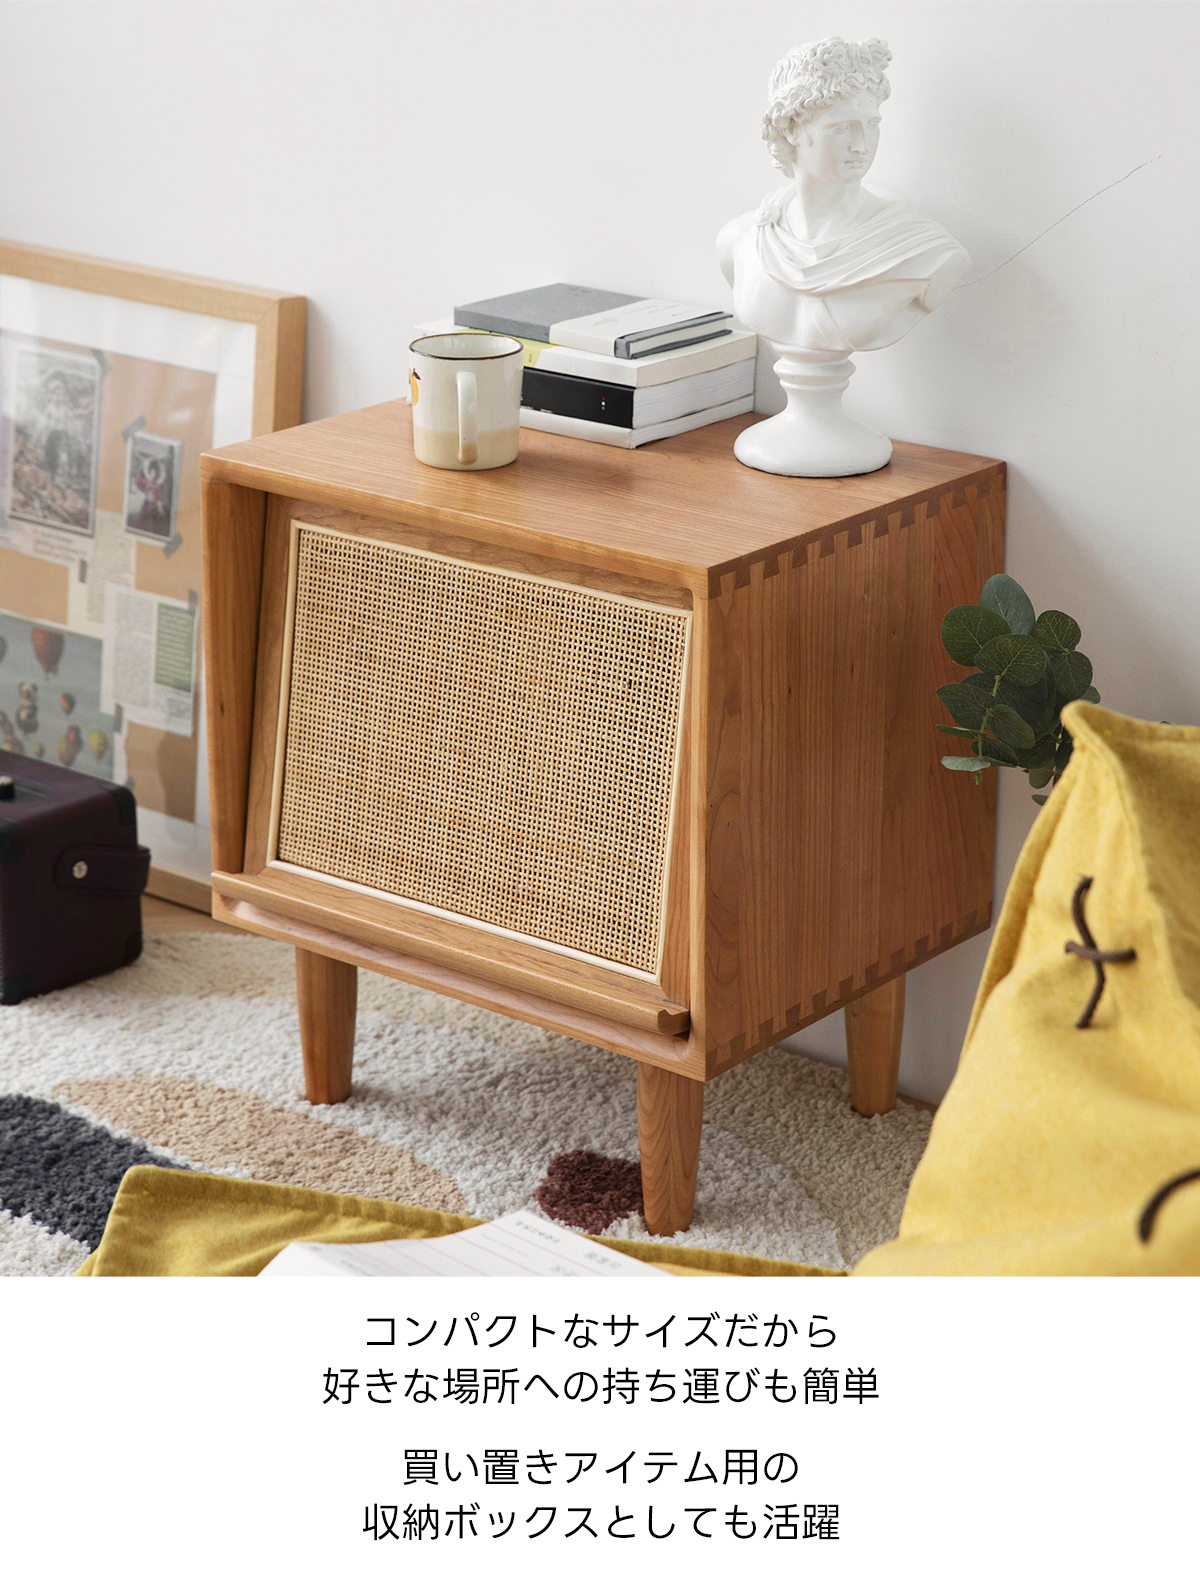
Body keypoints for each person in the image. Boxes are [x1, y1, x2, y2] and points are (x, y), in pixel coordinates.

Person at [717, 38, 970, 475]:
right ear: (792, 129)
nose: (862, 145)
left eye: (872, 124)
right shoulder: (740, 240)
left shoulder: (925, 253)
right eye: (841, 128)